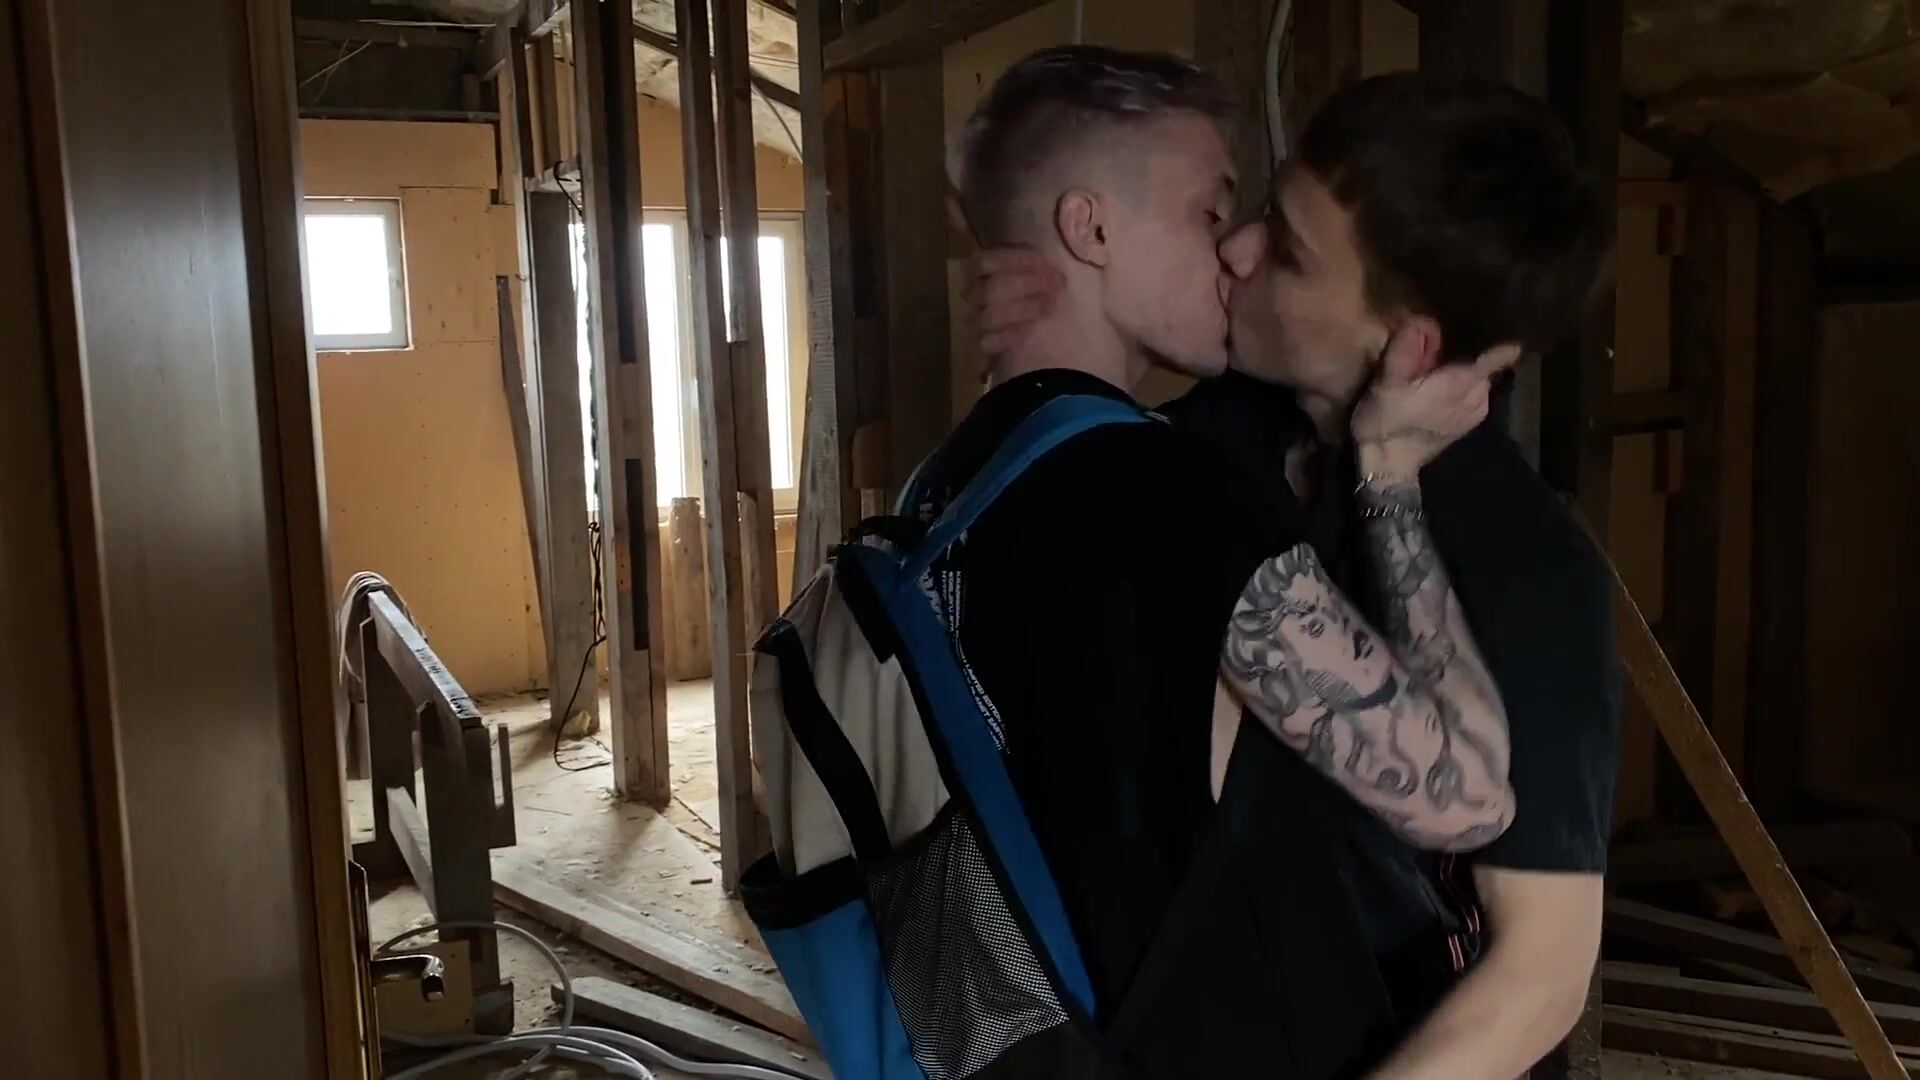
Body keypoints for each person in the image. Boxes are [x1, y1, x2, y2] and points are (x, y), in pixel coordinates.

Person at [975, 71, 1622, 1078]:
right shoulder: (1205, 437)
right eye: (1260, 211)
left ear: (1410, 344)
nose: (1237, 250)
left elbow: (1539, 978)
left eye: (1287, 250)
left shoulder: (1525, 569)